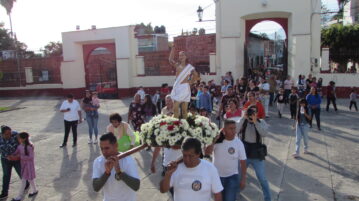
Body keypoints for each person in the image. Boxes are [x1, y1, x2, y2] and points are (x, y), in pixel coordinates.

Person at [92, 133, 140, 201]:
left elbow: (136, 186)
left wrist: (119, 172)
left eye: (107, 148)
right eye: (101, 148)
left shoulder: (129, 160)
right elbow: (96, 187)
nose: (104, 152)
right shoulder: (98, 162)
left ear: (116, 145)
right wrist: (106, 173)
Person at [238, 106, 271, 201]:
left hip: (257, 154)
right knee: (239, 176)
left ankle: (267, 199)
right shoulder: (244, 121)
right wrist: (243, 117)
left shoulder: (261, 122)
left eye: (254, 112)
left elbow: (264, 133)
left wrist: (256, 121)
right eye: (250, 112)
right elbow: (235, 130)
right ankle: (236, 195)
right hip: (244, 153)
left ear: (257, 113)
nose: (252, 114)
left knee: (262, 178)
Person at [211, 120, 247, 201]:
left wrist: (243, 178)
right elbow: (207, 152)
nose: (234, 131)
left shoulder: (238, 143)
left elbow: (243, 161)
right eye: (231, 129)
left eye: (234, 128)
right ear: (224, 130)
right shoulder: (217, 141)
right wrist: (214, 139)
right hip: (217, 177)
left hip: (232, 177)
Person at [169, 45, 200, 119]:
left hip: (185, 88)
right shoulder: (177, 65)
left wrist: (190, 81)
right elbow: (170, 60)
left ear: (186, 57)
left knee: (184, 110)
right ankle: (176, 124)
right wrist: (173, 50)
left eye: (182, 55)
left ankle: (185, 126)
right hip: (177, 87)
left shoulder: (189, 67)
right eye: (179, 55)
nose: (181, 57)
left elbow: (197, 76)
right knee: (175, 108)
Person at [0, 126, 28, 200]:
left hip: (17, 159)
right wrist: (7, 156)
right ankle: (4, 193)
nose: (9, 135)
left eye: (10, 133)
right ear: (2, 134)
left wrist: (19, 156)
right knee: (6, 176)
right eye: (7, 134)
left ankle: (26, 184)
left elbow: (24, 144)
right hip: (5, 159)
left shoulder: (16, 134)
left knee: (21, 173)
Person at [10, 132, 38, 201]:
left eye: (19, 138)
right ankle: (35, 190)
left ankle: (19, 196)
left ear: (24, 139)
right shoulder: (20, 146)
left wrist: (19, 156)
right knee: (30, 179)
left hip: (28, 166)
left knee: (23, 181)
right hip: (24, 166)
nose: (18, 139)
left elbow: (31, 157)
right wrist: (11, 156)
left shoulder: (30, 146)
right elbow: (16, 152)